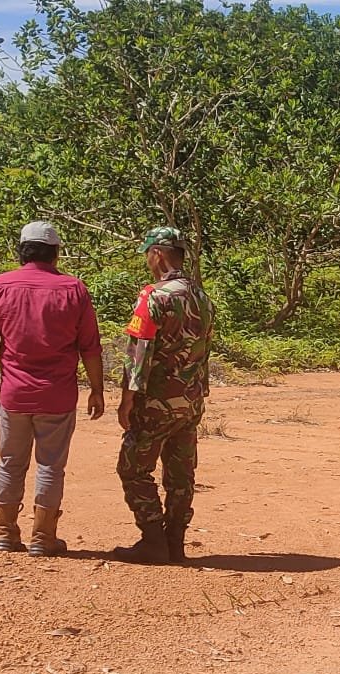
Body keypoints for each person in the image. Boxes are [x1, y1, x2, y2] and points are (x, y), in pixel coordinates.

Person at [0, 221, 104, 556]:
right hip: (58, 395)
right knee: (50, 464)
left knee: (10, 461)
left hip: (14, 395)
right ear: (55, 253)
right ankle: (43, 536)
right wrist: (97, 389)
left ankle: (5, 533)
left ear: (21, 250)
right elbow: (90, 347)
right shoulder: (73, 289)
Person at [113, 227, 215, 564]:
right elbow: (204, 351)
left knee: (132, 467)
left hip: (156, 402)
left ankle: (152, 538)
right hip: (190, 400)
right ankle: (175, 543)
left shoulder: (153, 297)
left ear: (157, 253)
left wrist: (128, 399)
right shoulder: (202, 297)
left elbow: (138, 352)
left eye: (147, 254)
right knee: (181, 473)